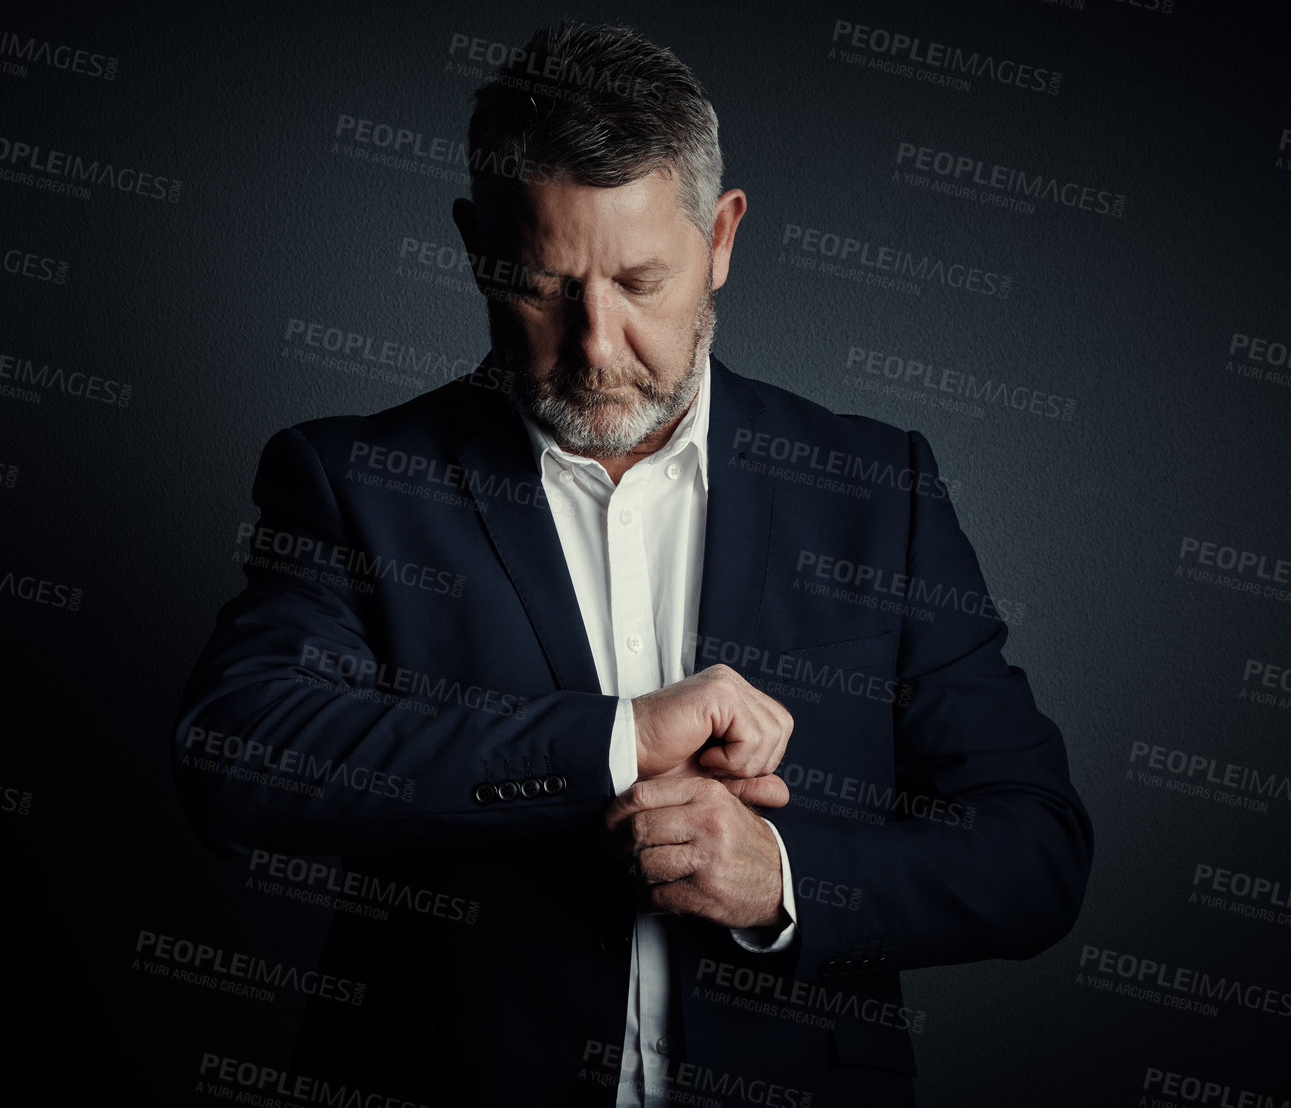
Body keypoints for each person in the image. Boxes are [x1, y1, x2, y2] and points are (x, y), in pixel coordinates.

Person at [174, 21, 1091, 1107]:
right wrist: (613, 737)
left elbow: (1033, 848)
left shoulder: (874, 489)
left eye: (641, 282)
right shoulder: (351, 480)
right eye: (543, 286)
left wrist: (784, 881)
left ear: (722, 239)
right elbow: (237, 756)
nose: (597, 344)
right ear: (476, 246)